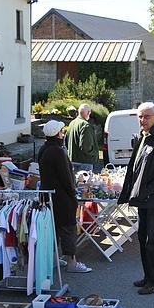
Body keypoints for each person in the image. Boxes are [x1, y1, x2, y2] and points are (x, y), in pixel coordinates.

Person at [118, 102, 154, 294]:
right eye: (140, 116)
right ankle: (148, 277)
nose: (142, 120)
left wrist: (149, 190)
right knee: (143, 240)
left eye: (146, 117)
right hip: (143, 198)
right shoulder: (144, 136)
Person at [37, 120, 91, 273]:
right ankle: (72, 263)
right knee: (68, 228)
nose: (63, 133)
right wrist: (73, 193)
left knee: (53, 228)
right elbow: (66, 177)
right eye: (61, 131)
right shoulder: (58, 151)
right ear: (57, 133)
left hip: (47, 195)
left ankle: (54, 259)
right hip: (62, 197)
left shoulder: (43, 149)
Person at [65, 103, 98, 169]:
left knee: (74, 179)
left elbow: (66, 141)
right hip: (84, 162)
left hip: (72, 161)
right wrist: (94, 153)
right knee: (85, 179)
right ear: (88, 113)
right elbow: (86, 147)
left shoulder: (72, 123)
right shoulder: (86, 125)